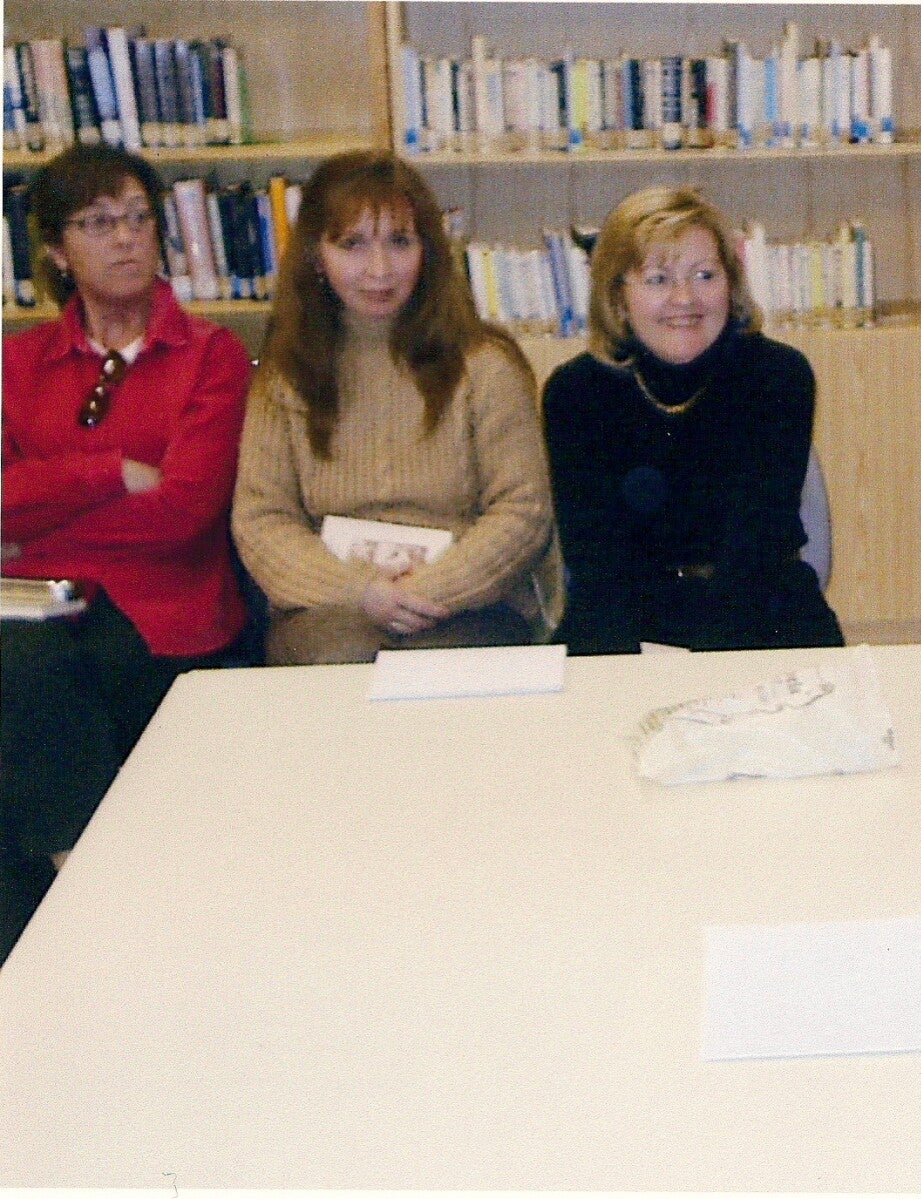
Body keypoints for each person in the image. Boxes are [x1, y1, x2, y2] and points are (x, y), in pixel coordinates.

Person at [1, 145, 252, 956]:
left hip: (164, 612)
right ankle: (78, 913)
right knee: (24, 667)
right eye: (99, 222)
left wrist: (35, 520)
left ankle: (73, 909)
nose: (126, 238)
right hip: (35, 610)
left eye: (140, 218)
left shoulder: (211, 355)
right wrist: (108, 473)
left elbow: (184, 513)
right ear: (54, 249)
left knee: (33, 693)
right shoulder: (16, 364)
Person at [233, 151, 560, 665]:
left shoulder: (486, 365)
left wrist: (429, 590)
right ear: (317, 254)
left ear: (428, 249)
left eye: (400, 242)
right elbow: (262, 520)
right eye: (353, 244)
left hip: (467, 602)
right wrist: (360, 592)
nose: (379, 269)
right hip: (331, 606)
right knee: (340, 656)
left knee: (436, 671)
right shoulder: (285, 374)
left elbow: (523, 511)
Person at [542, 185, 842, 655]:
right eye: (658, 279)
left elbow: (756, 549)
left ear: (732, 284)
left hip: (763, 617)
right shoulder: (575, 392)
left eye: (705, 275)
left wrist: (702, 670)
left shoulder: (778, 376)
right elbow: (596, 561)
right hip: (625, 622)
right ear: (618, 296)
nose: (684, 298)